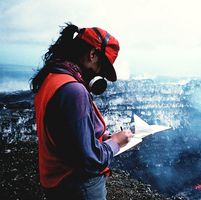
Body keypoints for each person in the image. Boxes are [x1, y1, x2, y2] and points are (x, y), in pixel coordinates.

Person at [30, 23, 132, 200]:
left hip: (56, 182)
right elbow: (90, 159)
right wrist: (116, 142)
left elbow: (67, 136)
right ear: (92, 55)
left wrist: (98, 139)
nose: (99, 74)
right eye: (102, 67)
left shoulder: (52, 78)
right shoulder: (74, 90)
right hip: (78, 186)